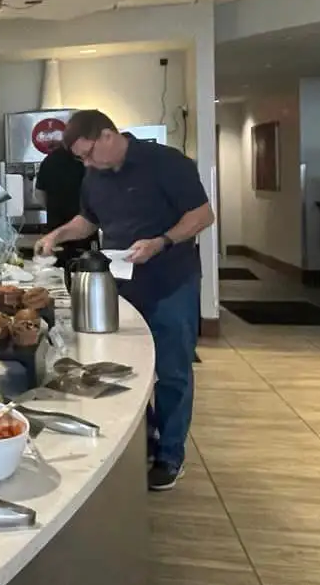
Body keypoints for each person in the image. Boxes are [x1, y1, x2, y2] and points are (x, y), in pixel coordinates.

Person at [35, 109, 213, 491]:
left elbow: (202, 215)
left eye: (88, 154)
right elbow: (89, 221)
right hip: (122, 283)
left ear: (108, 136)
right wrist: (58, 235)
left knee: (172, 369)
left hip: (170, 280)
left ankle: (170, 455)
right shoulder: (94, 174)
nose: (86, 164)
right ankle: (145, 438)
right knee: (128, 366)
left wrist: (161, 242)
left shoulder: (165, 163)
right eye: (80, 158)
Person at [33, 140, 89, 257]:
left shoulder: (48, 161)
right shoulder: (85, 162)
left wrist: (51, 207)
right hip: (85, 229)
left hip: (56, 229)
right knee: (84, 266)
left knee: (57, 268)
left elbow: (39, 194)